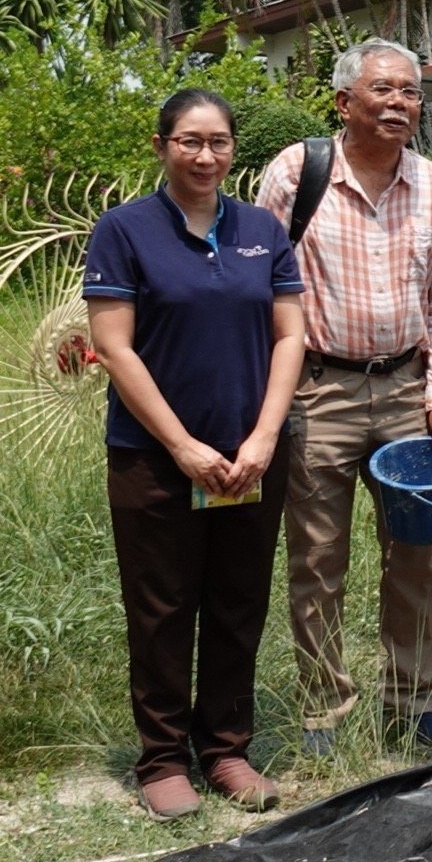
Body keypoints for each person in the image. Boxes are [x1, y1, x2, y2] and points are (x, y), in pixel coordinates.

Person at [84, 89, 305, 819]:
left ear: (234, 149)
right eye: (189, 141)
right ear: (161, 147)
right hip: (154, 460)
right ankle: (162, 758)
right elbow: (114, 346)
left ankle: (226, 750)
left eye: (218, 142)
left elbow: (289, 336)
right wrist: (180, 446)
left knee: (238, 603)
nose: (205, 156)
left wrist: (265, 438)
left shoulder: (261, 231)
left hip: (248, 460)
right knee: (161, 608)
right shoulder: (125, 231)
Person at [256, 39, 432, 758]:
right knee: (317, 558)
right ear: (344, 101)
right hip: (320, 390)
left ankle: (410, 703)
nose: (399, 103)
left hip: (410, 391)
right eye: (383, 90)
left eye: (410, 92)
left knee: (416, 556)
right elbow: (261, 291)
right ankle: (324, 709)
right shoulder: (296, 174)